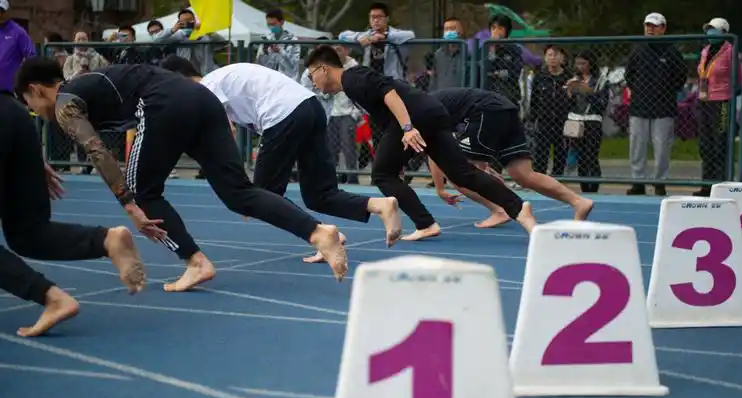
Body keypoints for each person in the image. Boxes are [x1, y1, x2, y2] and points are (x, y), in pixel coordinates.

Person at [15, 58, 348, 289]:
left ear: (38, 89)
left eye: (30, 103)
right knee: (237, 192)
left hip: (164, 101)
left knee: (142, 191)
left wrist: (128, 203)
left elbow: (96, 149)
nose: (35, 111)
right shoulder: (87, 87)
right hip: (203, 100)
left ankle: (195, 262)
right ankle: (319, 233)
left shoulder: (64, 102)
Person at [159, 56, 401, 264]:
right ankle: (379, 205)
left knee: (256, 197)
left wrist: (232, 177)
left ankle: (324, 234)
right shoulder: (222, 77)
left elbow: (225, 131)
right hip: (311, 108)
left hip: (283, 115)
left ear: (179, 79)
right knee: (319, 194)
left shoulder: (207, 87)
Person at [304, 45, 537, 240]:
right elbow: (384, 115)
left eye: (312, 75)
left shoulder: (352, 77)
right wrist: (399, 152)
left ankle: (424, 223)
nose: (313, 82)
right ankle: (518, 208)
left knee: (382, 176)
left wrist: (407, 128)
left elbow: (390, 94)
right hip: (431, 113)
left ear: (323, 68)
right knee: (462, 174)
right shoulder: (352, 86)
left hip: (417, 116)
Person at [0, 90, 147, 337]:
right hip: (12, 113)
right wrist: (28, 159)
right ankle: (106, 239)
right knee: (28, 232)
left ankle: (53, 298)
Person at [428, 87, 594, 226]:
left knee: (460, 175)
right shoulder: (422, 105)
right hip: (504, 109)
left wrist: (440, 189)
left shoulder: (418, 113)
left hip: (486, 111)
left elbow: (436, 150)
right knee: (523, 175)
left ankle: (500, 210)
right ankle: (579, 202)